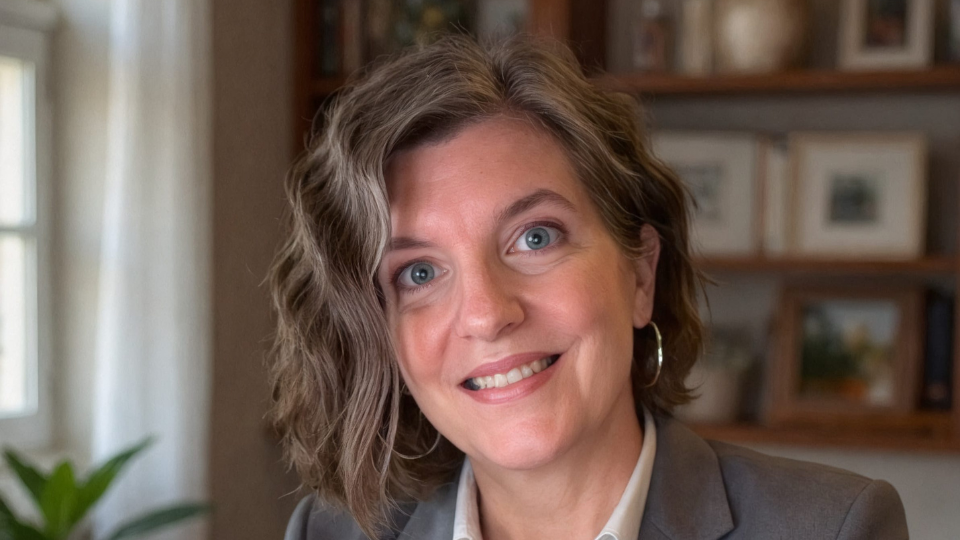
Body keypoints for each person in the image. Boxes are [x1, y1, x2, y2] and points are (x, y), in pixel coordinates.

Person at [269, 35, 908, 540]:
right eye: (418, 273)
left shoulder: (831, 527)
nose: (488, 314)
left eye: (535, 237)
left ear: (639, 274)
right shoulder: (330, 535)